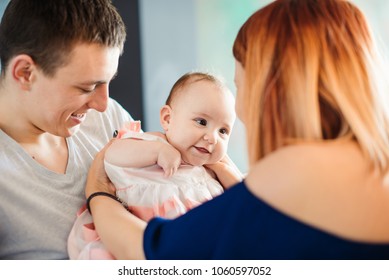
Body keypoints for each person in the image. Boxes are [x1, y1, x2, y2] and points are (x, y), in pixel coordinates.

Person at [85, 0, 389, 260]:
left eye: (242, 86)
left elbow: (158, 255)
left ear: (272, 91)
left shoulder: (292, 175)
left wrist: (98, 193)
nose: (243, 112)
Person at [0, 0, 133, 259]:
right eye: (86, 88)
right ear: (25, 72)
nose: (103, 105)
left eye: (107, 82)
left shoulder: (108, 119)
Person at [67, 72, 242, 259]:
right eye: (201, 122)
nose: (212, 138)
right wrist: (157, 152)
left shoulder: (211, 170)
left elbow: (245, 204)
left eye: (223, 131)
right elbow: (112, 155)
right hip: (132, 240)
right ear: (167, 119)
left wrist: (227, 173)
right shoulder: (150, 142)